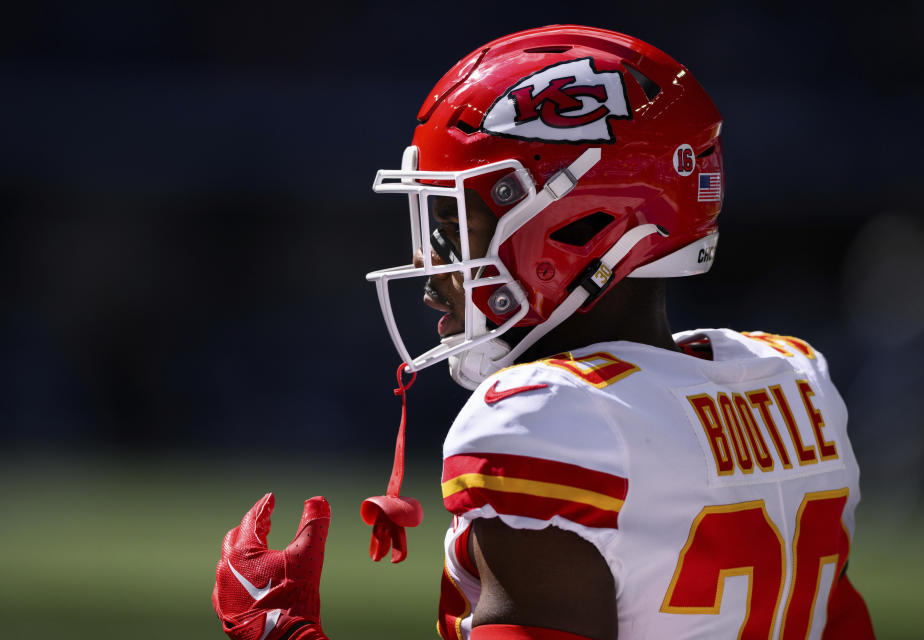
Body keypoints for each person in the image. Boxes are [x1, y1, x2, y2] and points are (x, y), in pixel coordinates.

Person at [212, 25, 875, 639]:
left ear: (579, 227)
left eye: (453, 226)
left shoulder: (546, 421)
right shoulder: (792, 378)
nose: (431, 268)